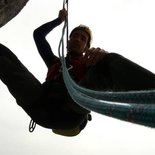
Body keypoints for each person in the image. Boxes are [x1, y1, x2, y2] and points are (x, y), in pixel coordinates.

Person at [0, 8, 155, 136]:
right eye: (74, 36)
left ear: (86, 47)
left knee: (109, 60)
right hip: (39, 102)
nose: (78, 39)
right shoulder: (55, 62)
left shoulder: (89, 66)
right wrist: (58, 21)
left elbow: (101, 73)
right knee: (4, 56)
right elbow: (38, 35)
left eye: (83, 38)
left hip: (71, 111)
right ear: (67, 41)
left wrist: (102, 56)